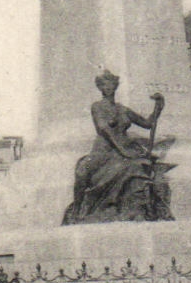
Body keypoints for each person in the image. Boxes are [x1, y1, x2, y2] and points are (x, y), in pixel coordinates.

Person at [64, 71, 174, 224]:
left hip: (124, 149)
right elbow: (104, 129)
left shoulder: (123, 110)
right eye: (104, 85)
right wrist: (123, 150)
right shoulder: (97, 107)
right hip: (104, 150)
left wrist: (158, 108)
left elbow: (147, 124)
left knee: (137, 167)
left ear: (115, 86)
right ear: (100, 88)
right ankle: (77, 210)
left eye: (111, 84)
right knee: (83, 171)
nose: (108, 87)